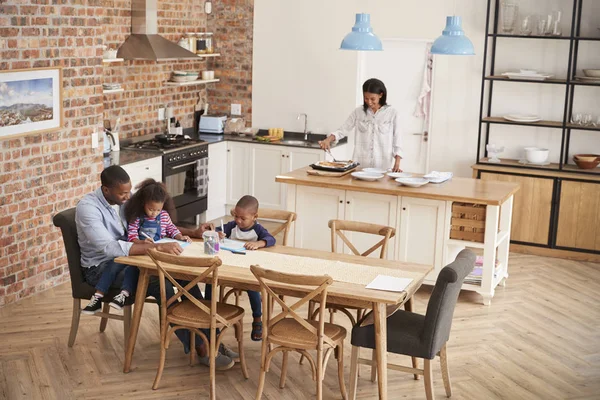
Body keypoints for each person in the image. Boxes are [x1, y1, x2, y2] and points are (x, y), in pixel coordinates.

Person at [75, 165, 237, 370]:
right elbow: (109, 248)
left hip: (133, 259)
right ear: (106, 190)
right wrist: (156, 247)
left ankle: (211, 339)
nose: (128, 196)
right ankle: (201, 346)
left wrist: (193, 232)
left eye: (129, 191)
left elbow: (155, 223)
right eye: (123, 193)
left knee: (187, 276)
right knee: (161, 283)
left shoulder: (124, 200)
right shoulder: (88, 208)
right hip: (102, 269)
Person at [208, 195, 276, 341]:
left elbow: (271, 239)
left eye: (242, 218)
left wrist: (259, 244)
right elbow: (216, 231)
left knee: (253, 288)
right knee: (209, 279)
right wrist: (218, 234)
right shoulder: (232, 226)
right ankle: (209, 311)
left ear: (254, 216)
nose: (238, 221)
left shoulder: (258, 230)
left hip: (248, 269)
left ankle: (257, 318)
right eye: (236, 216)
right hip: (229, 267)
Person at [319, 78, 404, 172]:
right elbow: (343, 129)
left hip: (382, 168)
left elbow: (398, 141)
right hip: (360, 168)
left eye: (372, 99)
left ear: (381, 95)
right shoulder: (358, 112)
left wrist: (397, 163)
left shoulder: (393, 114)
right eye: (366, 98)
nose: (369, 102)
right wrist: (327, 140)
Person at [124, 178, 192, 245]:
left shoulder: (164, 216)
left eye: (158, 210)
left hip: (160, 247)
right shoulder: (137, 217)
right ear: (143, 203)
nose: (154, 213)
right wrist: (142, 242)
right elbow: (131, 236)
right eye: (151, 209)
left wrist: (180, 237)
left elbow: (171, 229)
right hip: (142, 249)